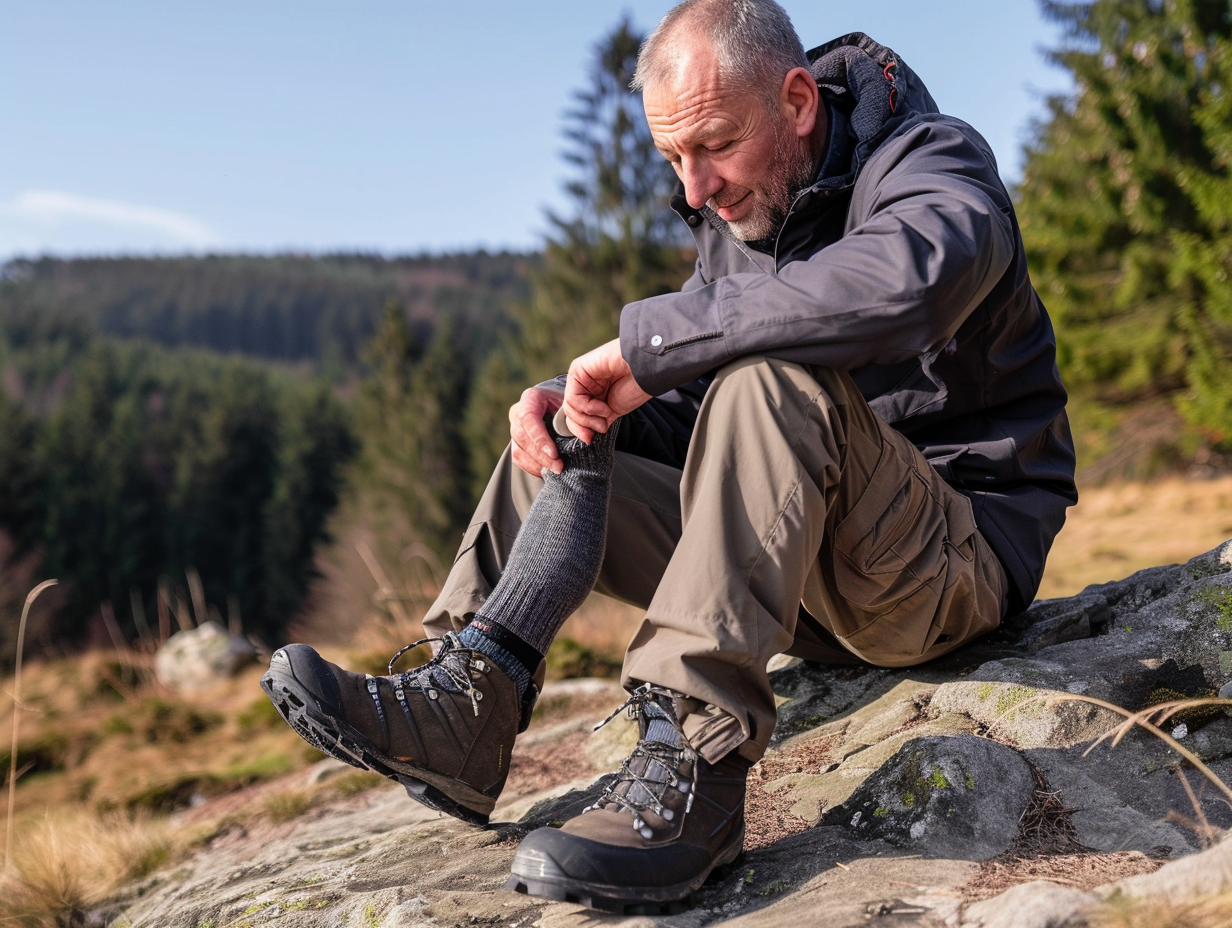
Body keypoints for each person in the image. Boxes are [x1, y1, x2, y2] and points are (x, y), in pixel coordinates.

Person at [262, 0, 1077, 913]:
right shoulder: (747, 216)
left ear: (799, 100)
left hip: (948, 568)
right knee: (578, 430)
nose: (695, 190)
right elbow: (699, 400)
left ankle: (695, 765)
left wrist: (653, 347)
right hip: (812, 581)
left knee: (767, 381)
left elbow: (906, 287)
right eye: (673, 160)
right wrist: (593, 404)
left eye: (714, 146)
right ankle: (472, 694)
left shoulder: (932, 164)